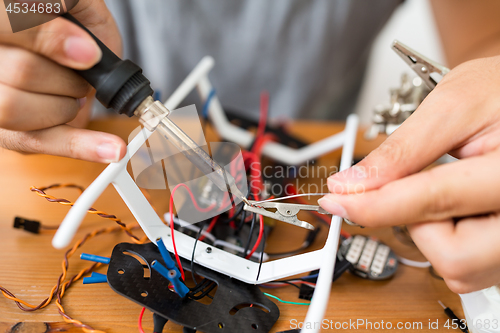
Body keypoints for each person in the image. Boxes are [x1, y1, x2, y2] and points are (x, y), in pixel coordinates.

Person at [0, 0, 499, 294]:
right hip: (83, 143)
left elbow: (487, 33)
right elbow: (21, 8)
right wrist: (22, 11)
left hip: (304, 159)